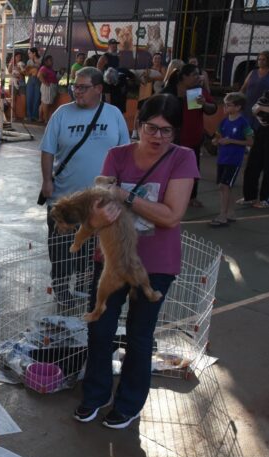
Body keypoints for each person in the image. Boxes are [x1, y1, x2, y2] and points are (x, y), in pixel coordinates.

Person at [75, 93, 199, 429]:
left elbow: (171, 215)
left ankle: (129, 404)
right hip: (112, 259)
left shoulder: (182, 159)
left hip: (156, 264)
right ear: (138, 125)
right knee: (100, 327)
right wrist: (106, 204)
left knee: (139, 335)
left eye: (167, 131)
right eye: (151, 128)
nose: (157, 137)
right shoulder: (117, 155)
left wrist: (125, 196)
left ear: (176, 133)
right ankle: (96, 394)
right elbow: (99, 207)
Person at [40, 67, 130, 306]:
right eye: (74, 87)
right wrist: (47, 180)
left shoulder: (114, 115)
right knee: (61, 248)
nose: (76, 92)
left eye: (82, 87)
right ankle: (61, 288)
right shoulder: (61, 114)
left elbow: (124, 152)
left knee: (92, 248)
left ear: (98, 89)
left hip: (100, 200)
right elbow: (47, 150)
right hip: (65, 198)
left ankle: (84, 285)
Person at [162, 63, 216, 208]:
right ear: (184, 77)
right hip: (171, 139)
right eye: (194, 75)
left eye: (198, 74)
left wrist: (204, 104)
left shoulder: (197, 92)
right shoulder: (170, 91)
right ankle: (166, 196)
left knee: (192, 169)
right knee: (168, 168)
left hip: (192, 138)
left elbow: (212, 109)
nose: (198, 77)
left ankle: (192, 197)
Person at [210, 92, 253, 226]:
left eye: (229, 105)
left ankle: (223, 215)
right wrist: (215, 141)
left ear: (238, 107)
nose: (225, 107)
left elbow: (250, 142)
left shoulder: (243, 123)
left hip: (234, 160)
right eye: (225, 105)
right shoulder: (224, 121)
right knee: (225, 186)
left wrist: (231, 141)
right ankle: (231, 213)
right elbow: (217, 136)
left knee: (225, 185)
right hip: (222, 158)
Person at [237, 52, 269, 208]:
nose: (261, 61)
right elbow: (243, 90)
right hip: (252, 118)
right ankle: (249, 196)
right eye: (260, 59)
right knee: (253, 162)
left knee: (266, 161)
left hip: (265, 125)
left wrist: (262, 108)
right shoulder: (253, 73)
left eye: (264, 59)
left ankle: (264, 198)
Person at [38, 54, 59, 122]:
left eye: (52, 60)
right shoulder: (44, 68)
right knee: (46, 103)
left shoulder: (49, 68)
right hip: (48, 87)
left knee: (43, 103)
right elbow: (39, 75)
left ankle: (41, 118)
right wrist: (46, 83)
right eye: (50, 60)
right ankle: (46, 119)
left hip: (49, 86)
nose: (52, 62)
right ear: (46, 61)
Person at [25, 47, 41, 122]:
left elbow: (39, 70)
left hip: (38, 80)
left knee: (37, 98)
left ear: (34, 53)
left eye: (29, 53)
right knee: (29, 97)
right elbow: (27, 72)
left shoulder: (41, 59)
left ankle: (35, 116)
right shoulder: (29, 61)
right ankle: (29, 115)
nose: (28, 55)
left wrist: (33, 69)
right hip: (30, 79)